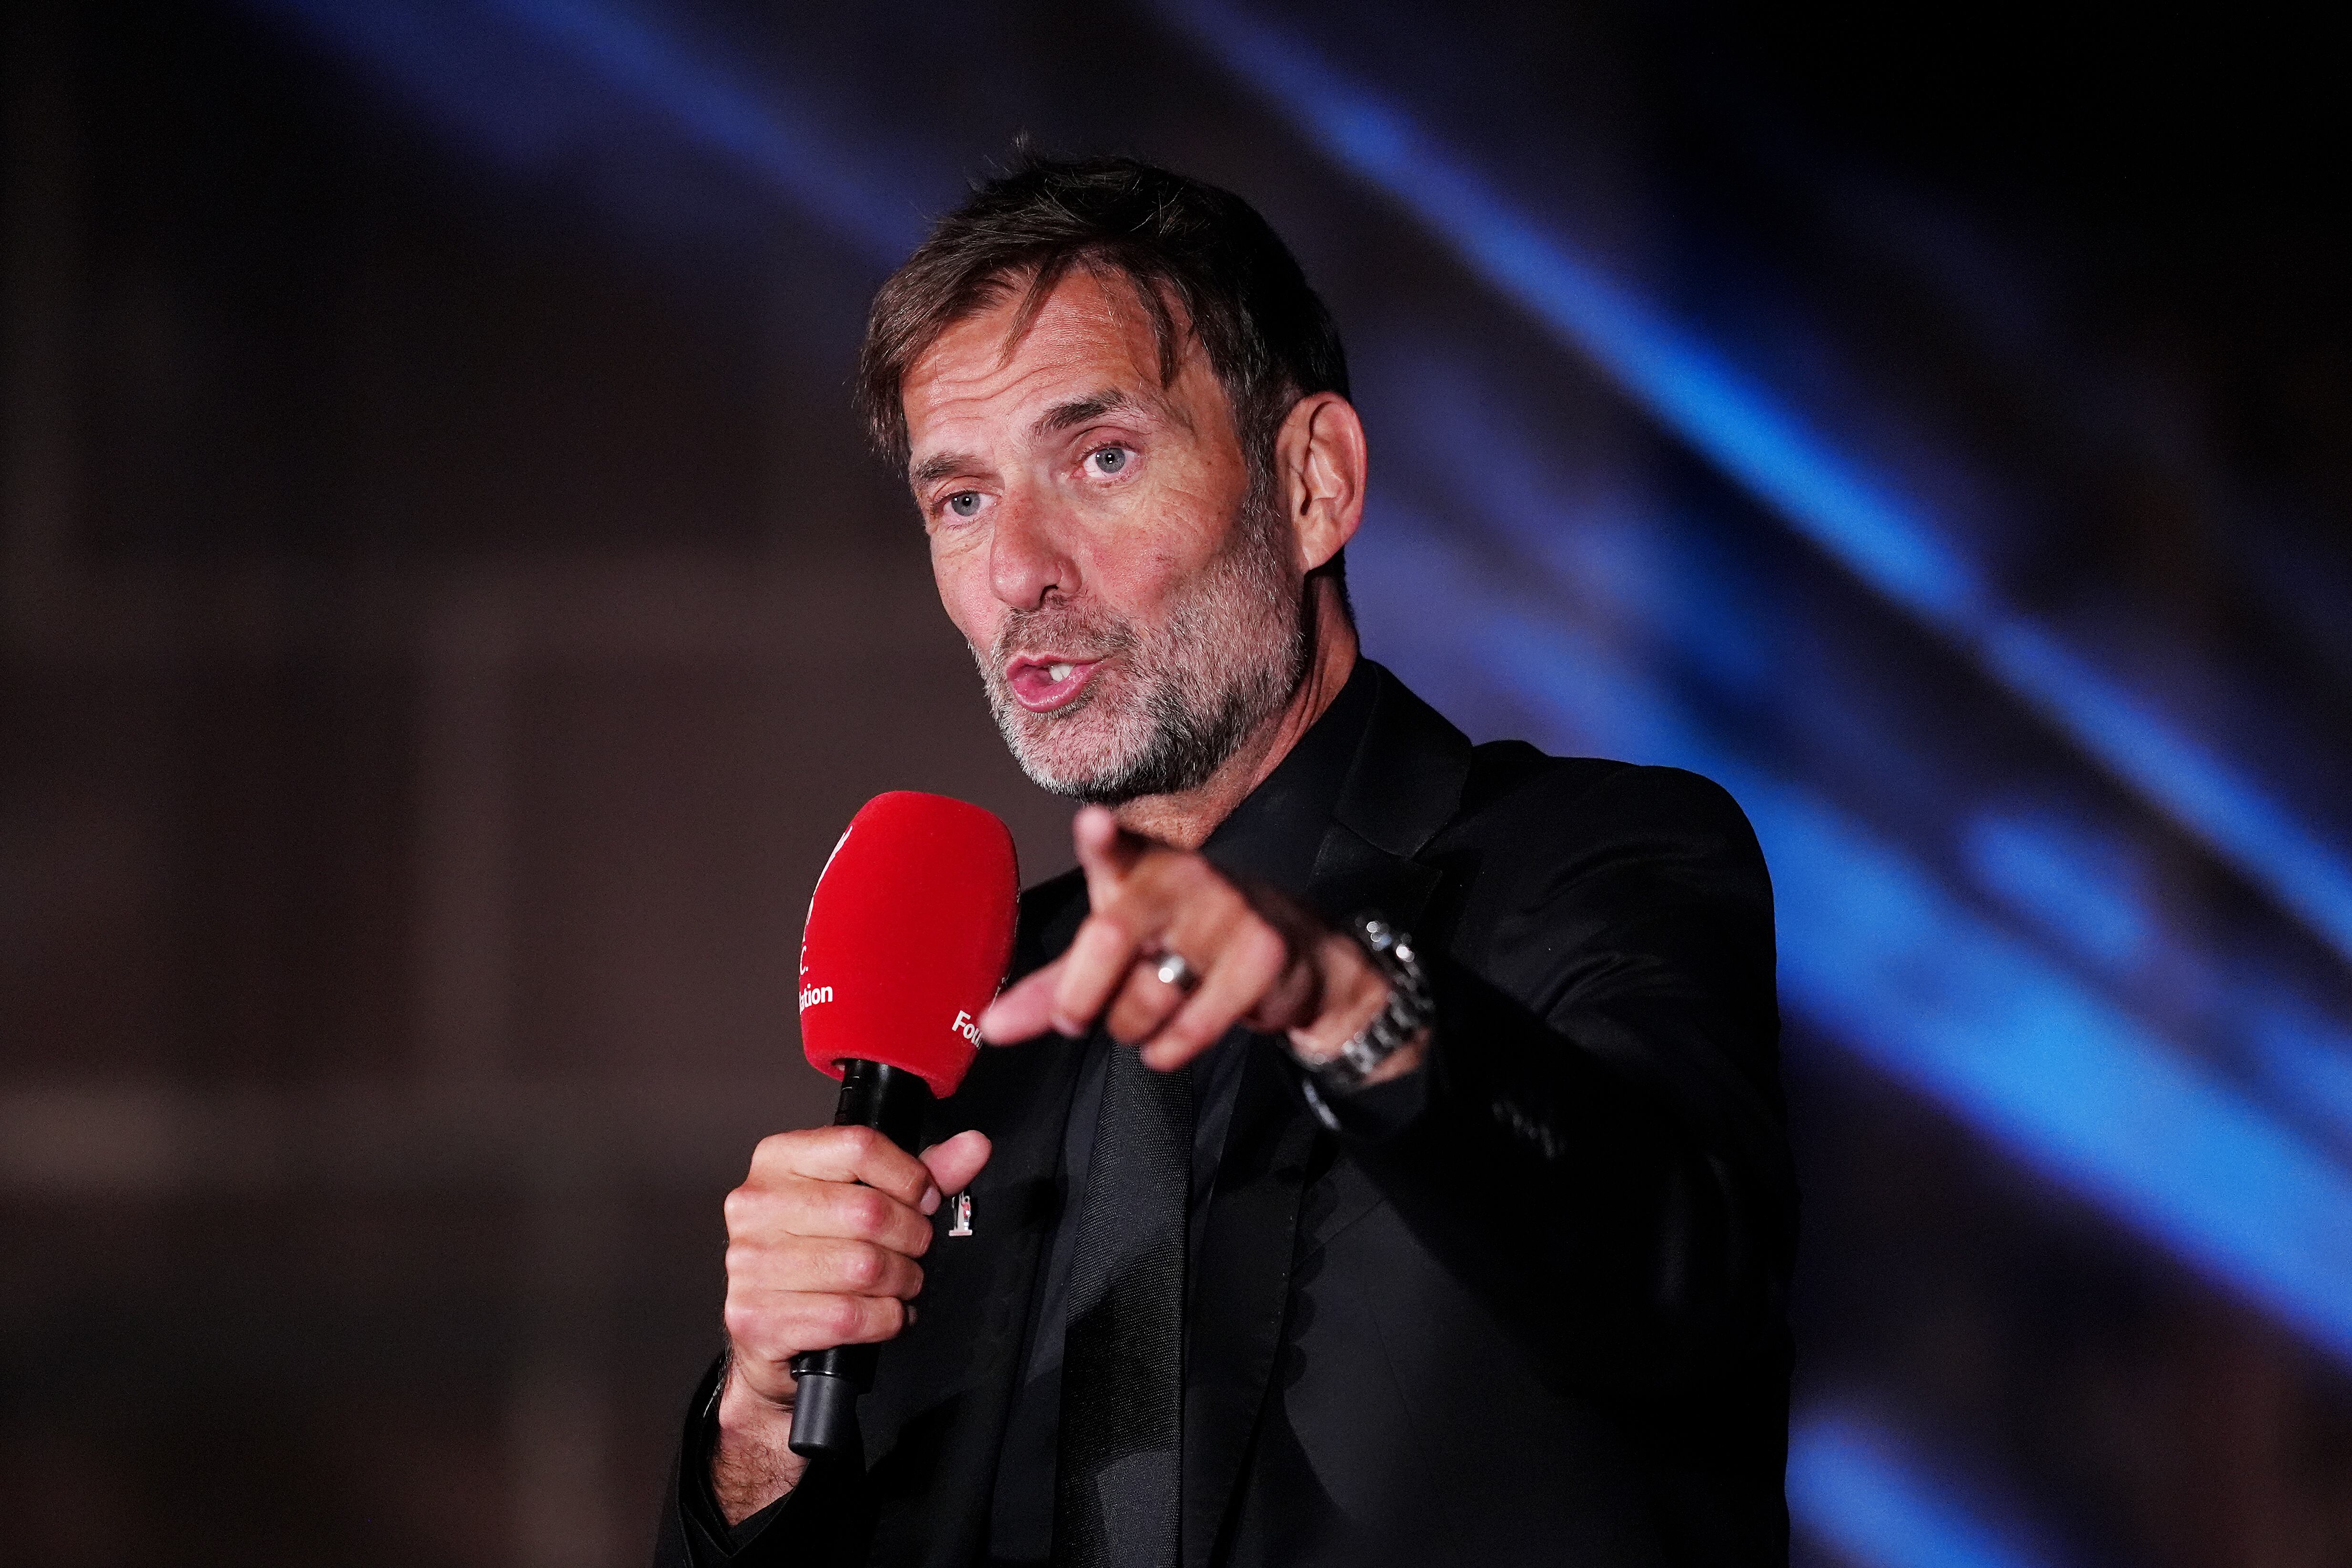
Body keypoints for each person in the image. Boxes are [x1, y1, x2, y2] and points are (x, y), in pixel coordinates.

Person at [653, 153, 1793, 1568]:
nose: (1018, 570)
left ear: (1312, 483)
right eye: (958, 500)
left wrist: (1346, 1001)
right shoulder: (981, 1004)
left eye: (1101, 458)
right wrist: (759, 1414)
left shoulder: (1592, 860)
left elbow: (1672, 1287)